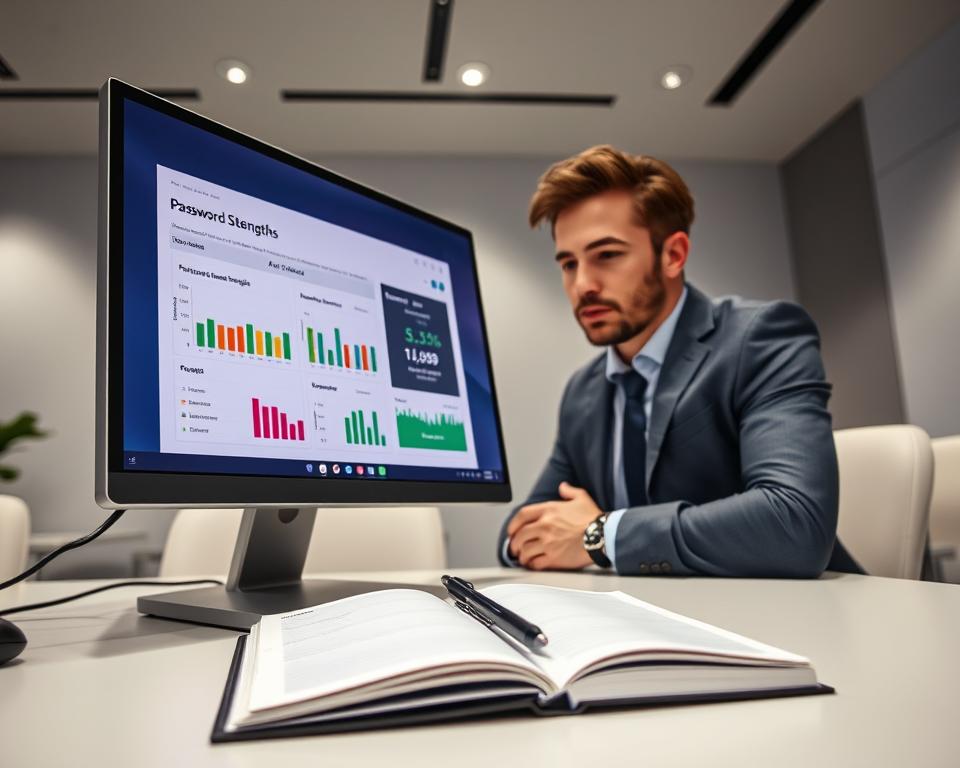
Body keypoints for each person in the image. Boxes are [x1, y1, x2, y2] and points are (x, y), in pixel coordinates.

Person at [498, 145, 861, 577]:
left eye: (607, 255)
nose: (583, 284)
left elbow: (794, 522)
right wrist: (538, 538)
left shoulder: (762, 338)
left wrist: (601, 534)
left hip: (799, 624)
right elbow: (521, 531)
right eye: (568, 263)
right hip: (647, 621)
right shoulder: (584, 390)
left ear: (673, 254)